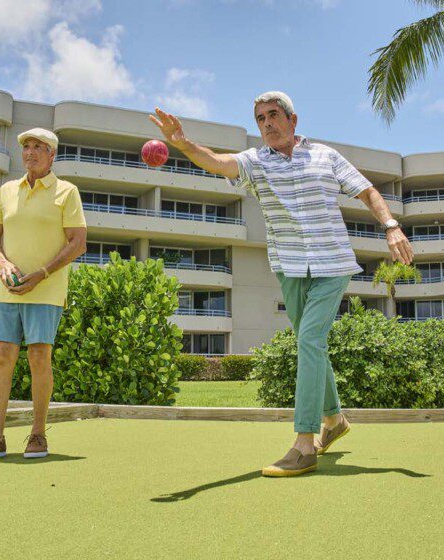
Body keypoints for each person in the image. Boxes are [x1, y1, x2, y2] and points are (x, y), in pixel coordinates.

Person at [150, 91, 413, 476]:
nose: (267, 123)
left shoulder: (325, 156)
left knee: (309, 340)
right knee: (312, 345)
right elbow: (219, 164)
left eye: (274, 115)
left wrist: (391, 227)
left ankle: (304, 444)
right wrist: (182, 143)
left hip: (332, 263)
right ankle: (335, 420)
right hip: (289, 267)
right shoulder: (255, 162)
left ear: (293, 119)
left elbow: (368, 191)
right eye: (260, 119)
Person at [0, 128, 87, 461]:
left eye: (38, 147)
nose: (30, 152)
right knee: (2, 354)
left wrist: (42, 274)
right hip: (7, 290)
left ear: (52, 154)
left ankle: (37, 434)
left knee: (38, 357)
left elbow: (78, 242)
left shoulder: (67, 192)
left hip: (46, 289)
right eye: (26, 147)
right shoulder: (7, 191)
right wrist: (2, 262)